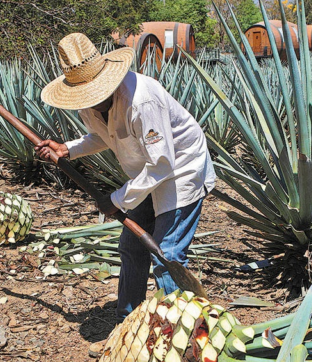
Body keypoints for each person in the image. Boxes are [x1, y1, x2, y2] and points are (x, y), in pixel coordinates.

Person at [35, 33, 216, 322]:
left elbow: (163, 164)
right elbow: (103, 135)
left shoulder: (142, 101)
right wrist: (67, 149)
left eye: (95, 93)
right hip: (147, 174)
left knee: (166, 253)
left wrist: (117, 200)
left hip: (180, 168)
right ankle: (127, 321)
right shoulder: (89, 101)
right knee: (132, 246)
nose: (92, 102)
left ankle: (176, 333)